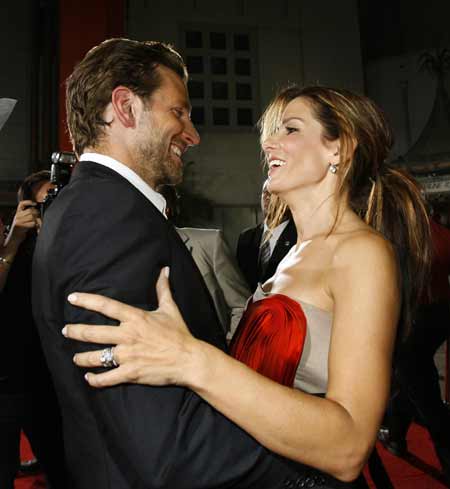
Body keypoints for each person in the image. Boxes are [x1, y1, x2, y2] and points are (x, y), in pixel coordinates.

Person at [61, 85, 431, 487]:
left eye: (290, 129)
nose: (270, 143)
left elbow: (348, 447)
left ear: (338, 149)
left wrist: (190, 359)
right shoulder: (292, 255)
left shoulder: (361, 253)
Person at [32, 39, 312, 489]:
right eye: (179, 112)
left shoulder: (92, 206)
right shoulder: (108, 217)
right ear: (125, 107)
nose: (193, 134)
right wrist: (304, 477)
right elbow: (168, 449)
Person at [0, 171, 67, 489]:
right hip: (13, 381)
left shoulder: (73, 247)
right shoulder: (10, 247)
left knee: (64, 468)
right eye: (43, 205)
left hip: (59, 381)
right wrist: (14, 240)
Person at [379, 214, 450, 486]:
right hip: (440, 316)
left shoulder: (403, 236)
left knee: (426, 397)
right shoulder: (439, 232)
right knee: (408, 380)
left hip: (414, 320)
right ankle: (396, 436)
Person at [161, 184, 250, 336]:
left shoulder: (210, 242)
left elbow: (241, 305)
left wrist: (229, 347)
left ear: (168, 208)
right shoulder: (129, 254)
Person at [237, 179, 297, 292]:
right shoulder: (246, 237)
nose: (267, 197)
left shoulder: (299, 237)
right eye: (265, 192)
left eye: (273, 194)